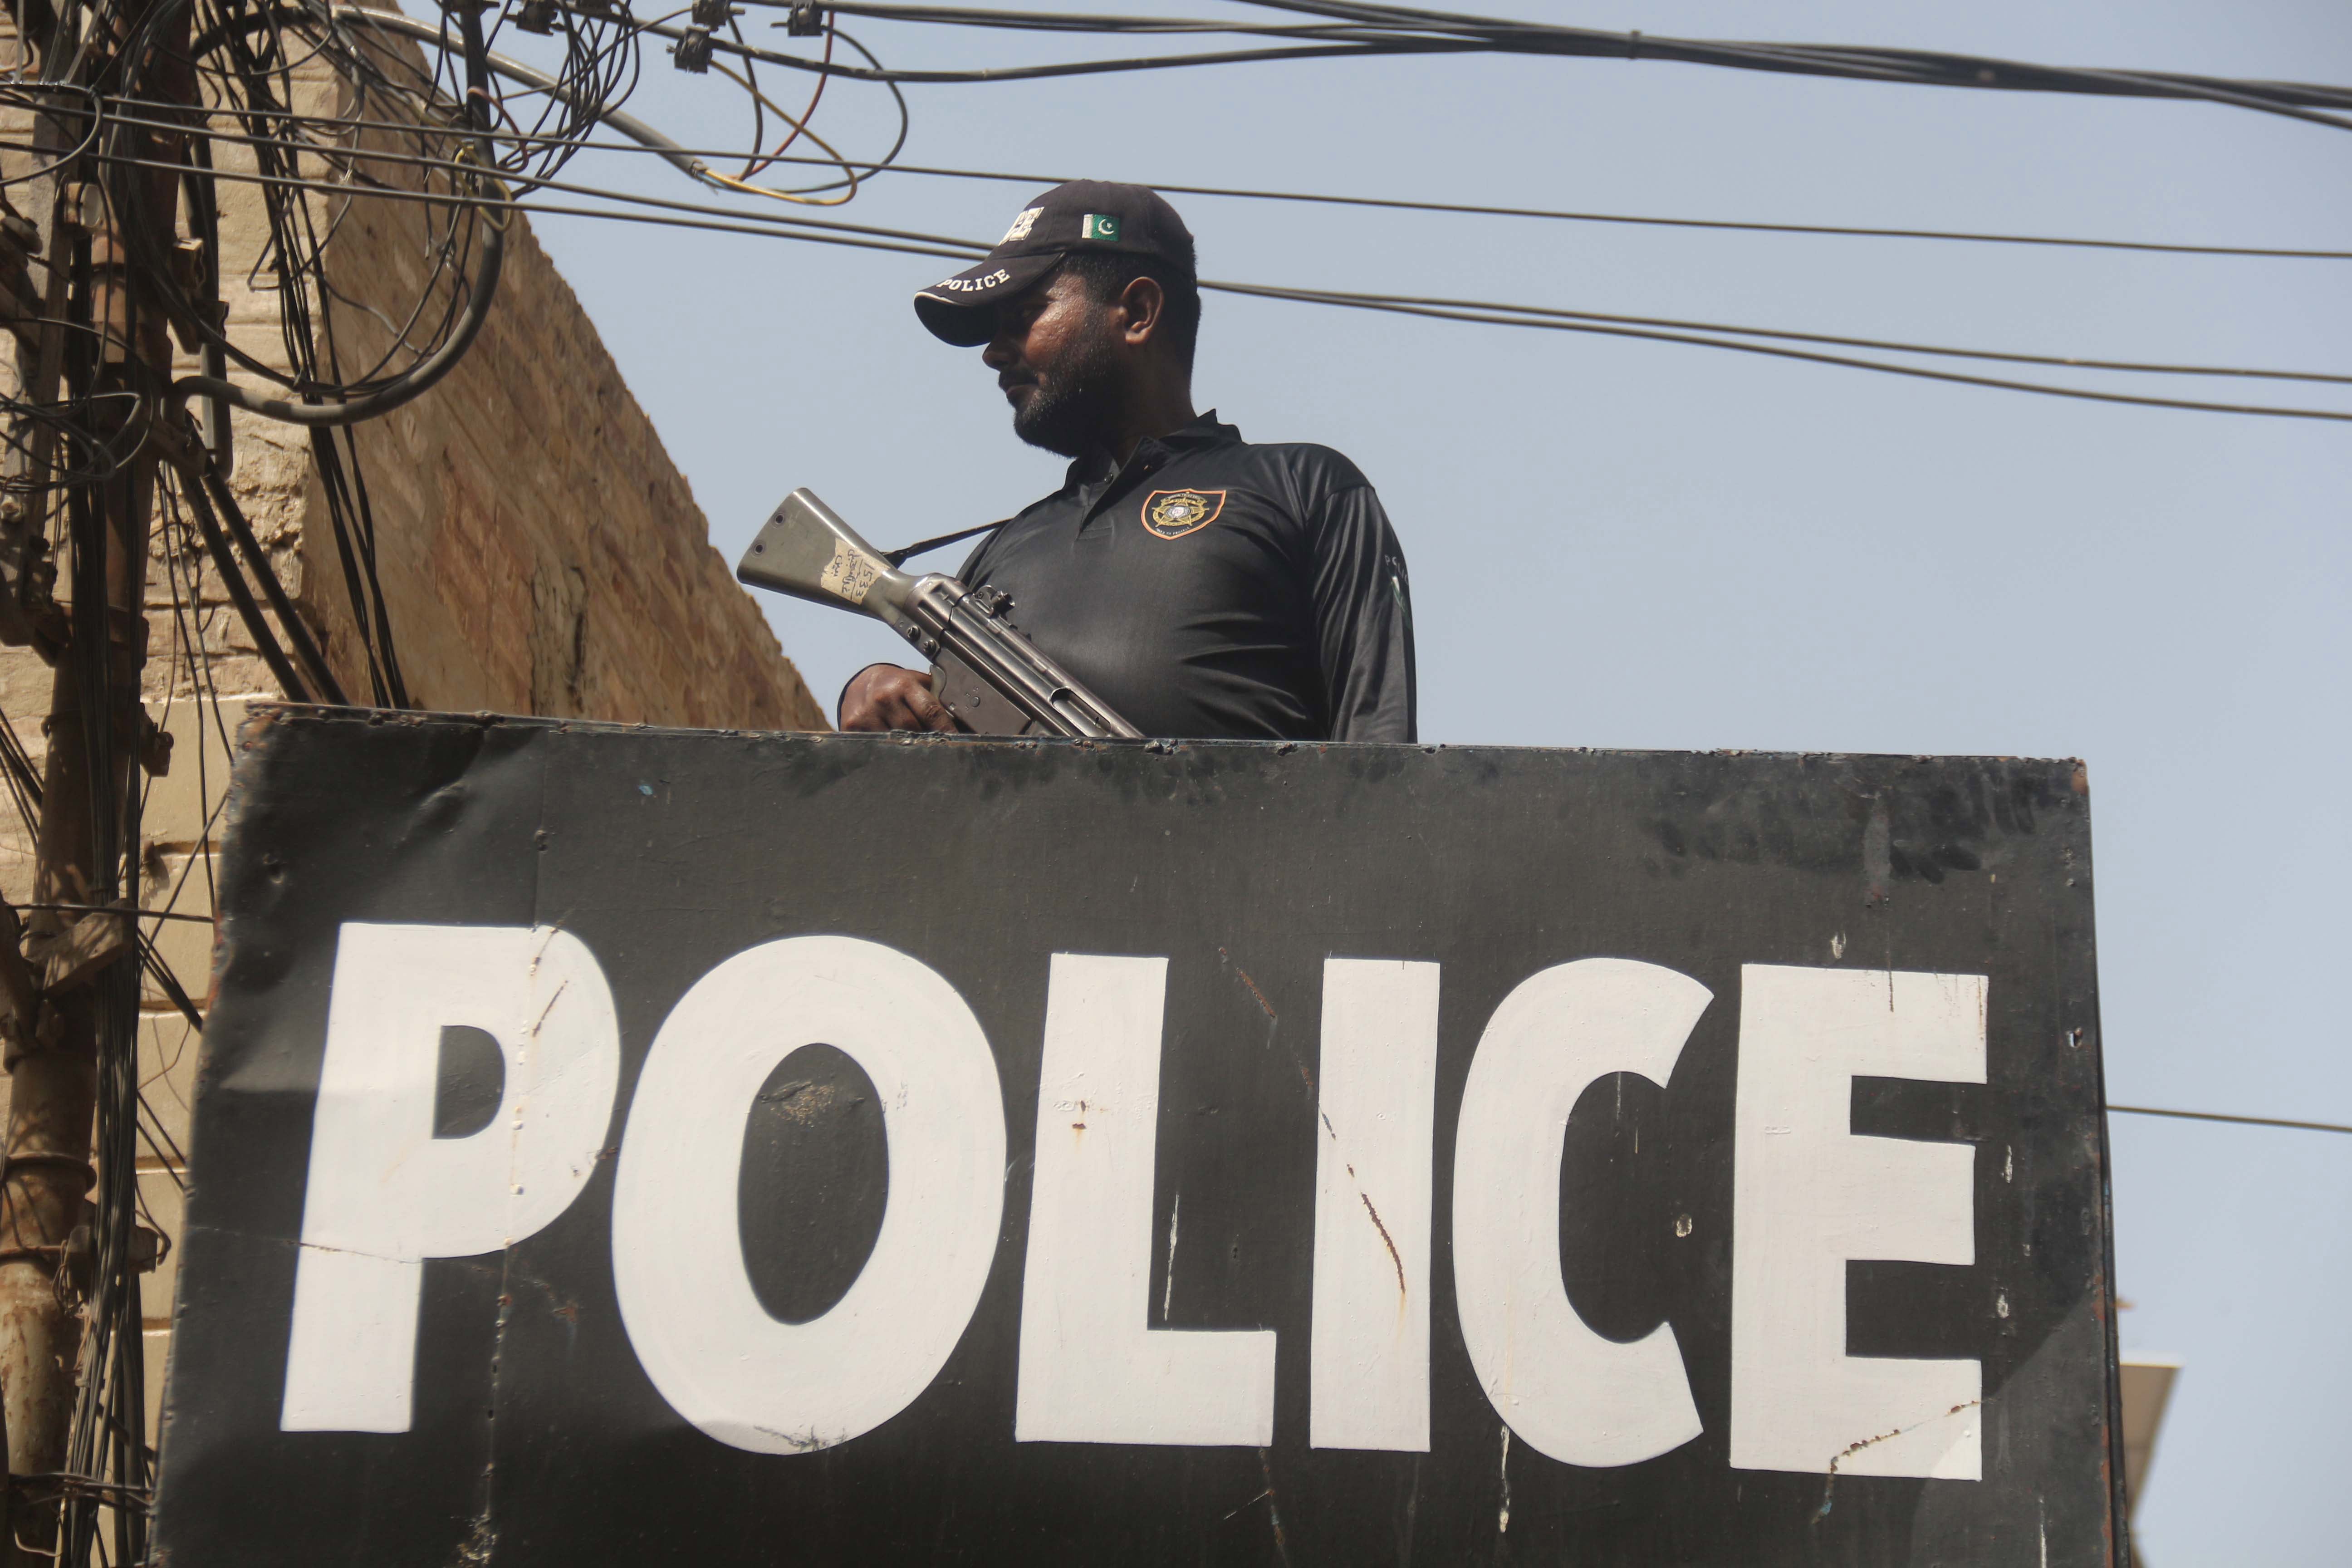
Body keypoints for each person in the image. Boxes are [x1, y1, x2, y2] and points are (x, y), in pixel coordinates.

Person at [838, 181, 1417, 742]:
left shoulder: (1303, 488)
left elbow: (1380, 764)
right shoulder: (1000, 552)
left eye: (1024, 317)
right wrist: (871, 691)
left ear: (1138, 311)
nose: (993, 352)